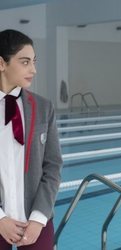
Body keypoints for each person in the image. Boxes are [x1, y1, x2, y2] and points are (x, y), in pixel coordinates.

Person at [0, 29, 62, 249]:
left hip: (37, 221)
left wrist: (38, 218)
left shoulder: (44, 107)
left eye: (34, 62)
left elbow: (53, 166)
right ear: (1, 64)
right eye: (25, 62)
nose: (33, 70)